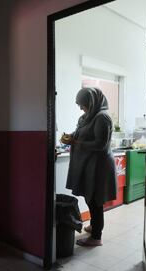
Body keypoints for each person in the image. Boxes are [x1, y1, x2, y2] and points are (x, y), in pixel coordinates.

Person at [61, 87, 117, 247]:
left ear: (92, 103)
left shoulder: (102, 118)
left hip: (99, 167)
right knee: (89, 196)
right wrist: (71, 136)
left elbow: (101, 144)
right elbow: (81, 133)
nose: (80, 107)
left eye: (83, 104)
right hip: (88, 165)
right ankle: (94, 226)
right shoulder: (87, 117)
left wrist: (76, 143)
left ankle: (96, 237)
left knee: (95, 199)